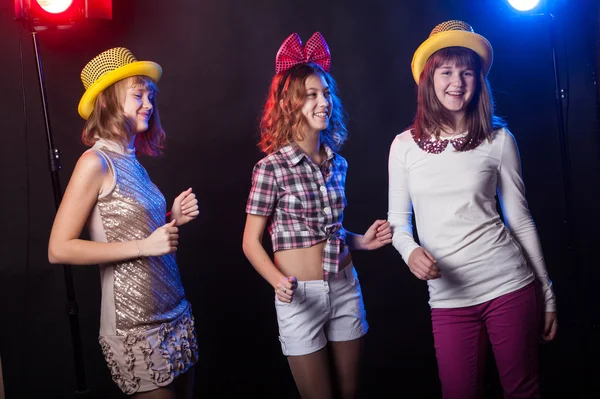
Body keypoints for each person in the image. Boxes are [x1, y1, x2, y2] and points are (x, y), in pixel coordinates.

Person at [388, 20, 558, 398]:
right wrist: (410, 251)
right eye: (446, 72)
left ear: (478, 79)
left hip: (509, 287)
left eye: (467, 72)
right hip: (448, 300)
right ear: (429, 79)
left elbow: (520, 219)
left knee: (522, 391)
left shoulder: (499, 140)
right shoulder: (403, 146)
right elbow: (398, 223)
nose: (457, 82)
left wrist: (546, 292)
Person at [242, 32, 392, 399]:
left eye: (326, 93)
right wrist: (277, 281)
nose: (323, 102)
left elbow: (331, 232)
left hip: (344, 286)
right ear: (290, 103)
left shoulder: (337, 164)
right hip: (298, 298)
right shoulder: (271, 168)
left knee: (351, 393)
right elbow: (249, 243)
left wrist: (363, 242)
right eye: (311, 95)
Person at [48, 47, 199, 398]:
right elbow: (58, 248)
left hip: (174, 310)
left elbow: (132, 230)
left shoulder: (132, 160)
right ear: (107, 102)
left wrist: (171, 219)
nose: (148, 103)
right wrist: (146, 246)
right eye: (138, 95)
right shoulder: (95, 162)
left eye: (151, 96)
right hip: (136, 326)